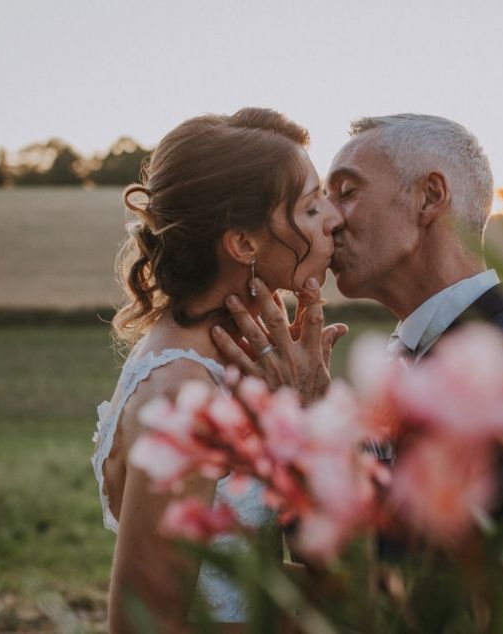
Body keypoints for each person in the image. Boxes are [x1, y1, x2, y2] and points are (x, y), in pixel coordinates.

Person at [91, 108, 345, 632]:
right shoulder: (183, 389)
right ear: (244, 243)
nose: (335, 218)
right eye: (311, 205)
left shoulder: (234, 360)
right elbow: (142, 624)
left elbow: (253, 573)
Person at [213, 113, 503, 392]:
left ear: (428, 197)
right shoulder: (438, 345)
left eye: (347, 192)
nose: (330, 219)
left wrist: (305, 410)